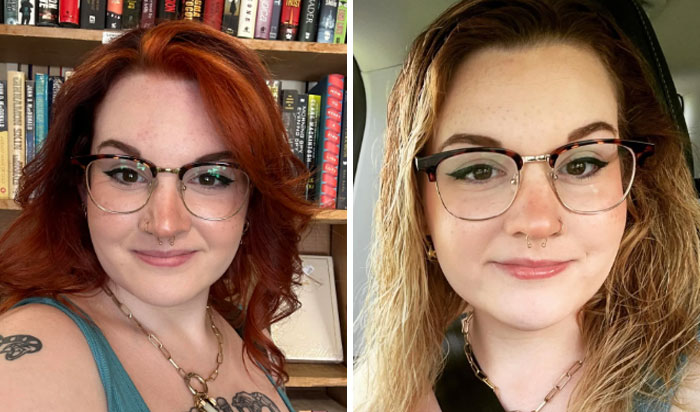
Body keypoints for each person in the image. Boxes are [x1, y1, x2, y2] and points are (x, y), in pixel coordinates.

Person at [355, 0, 700, 411]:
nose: (538, 222)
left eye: (583, 163)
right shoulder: (369, 394)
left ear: (633, 187)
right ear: (419, 206)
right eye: (480, 171)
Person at [0, 21, 313, 412]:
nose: (165, 224)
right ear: (81, 186)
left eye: (211, 177)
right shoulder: (35, 362)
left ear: (253, 197)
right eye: (126, 173)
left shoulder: (233, 327)